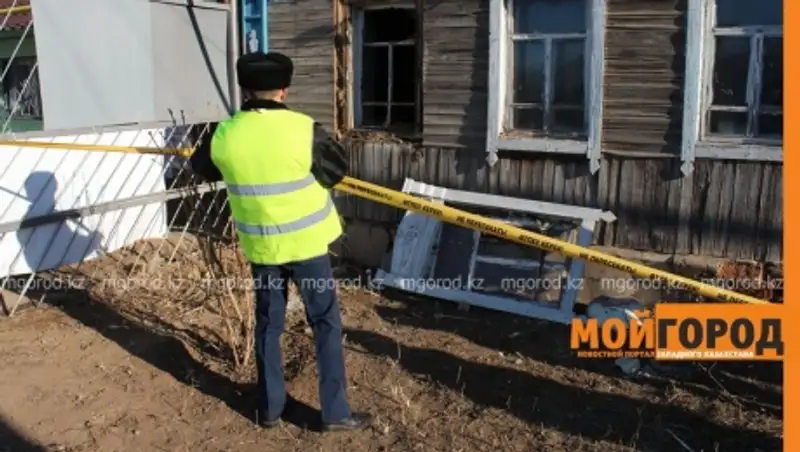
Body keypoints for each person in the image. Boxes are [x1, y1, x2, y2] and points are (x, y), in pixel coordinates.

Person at [209, 51, 371, 432]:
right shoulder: (303, 129)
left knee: (268, 325)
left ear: (244, 90)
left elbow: (201, 166)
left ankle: (270, 409)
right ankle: (335, 412)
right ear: (284, 90)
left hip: (263, 249)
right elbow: (335, 172)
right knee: (325, 323)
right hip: (307, 247)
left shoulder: (224, 134)